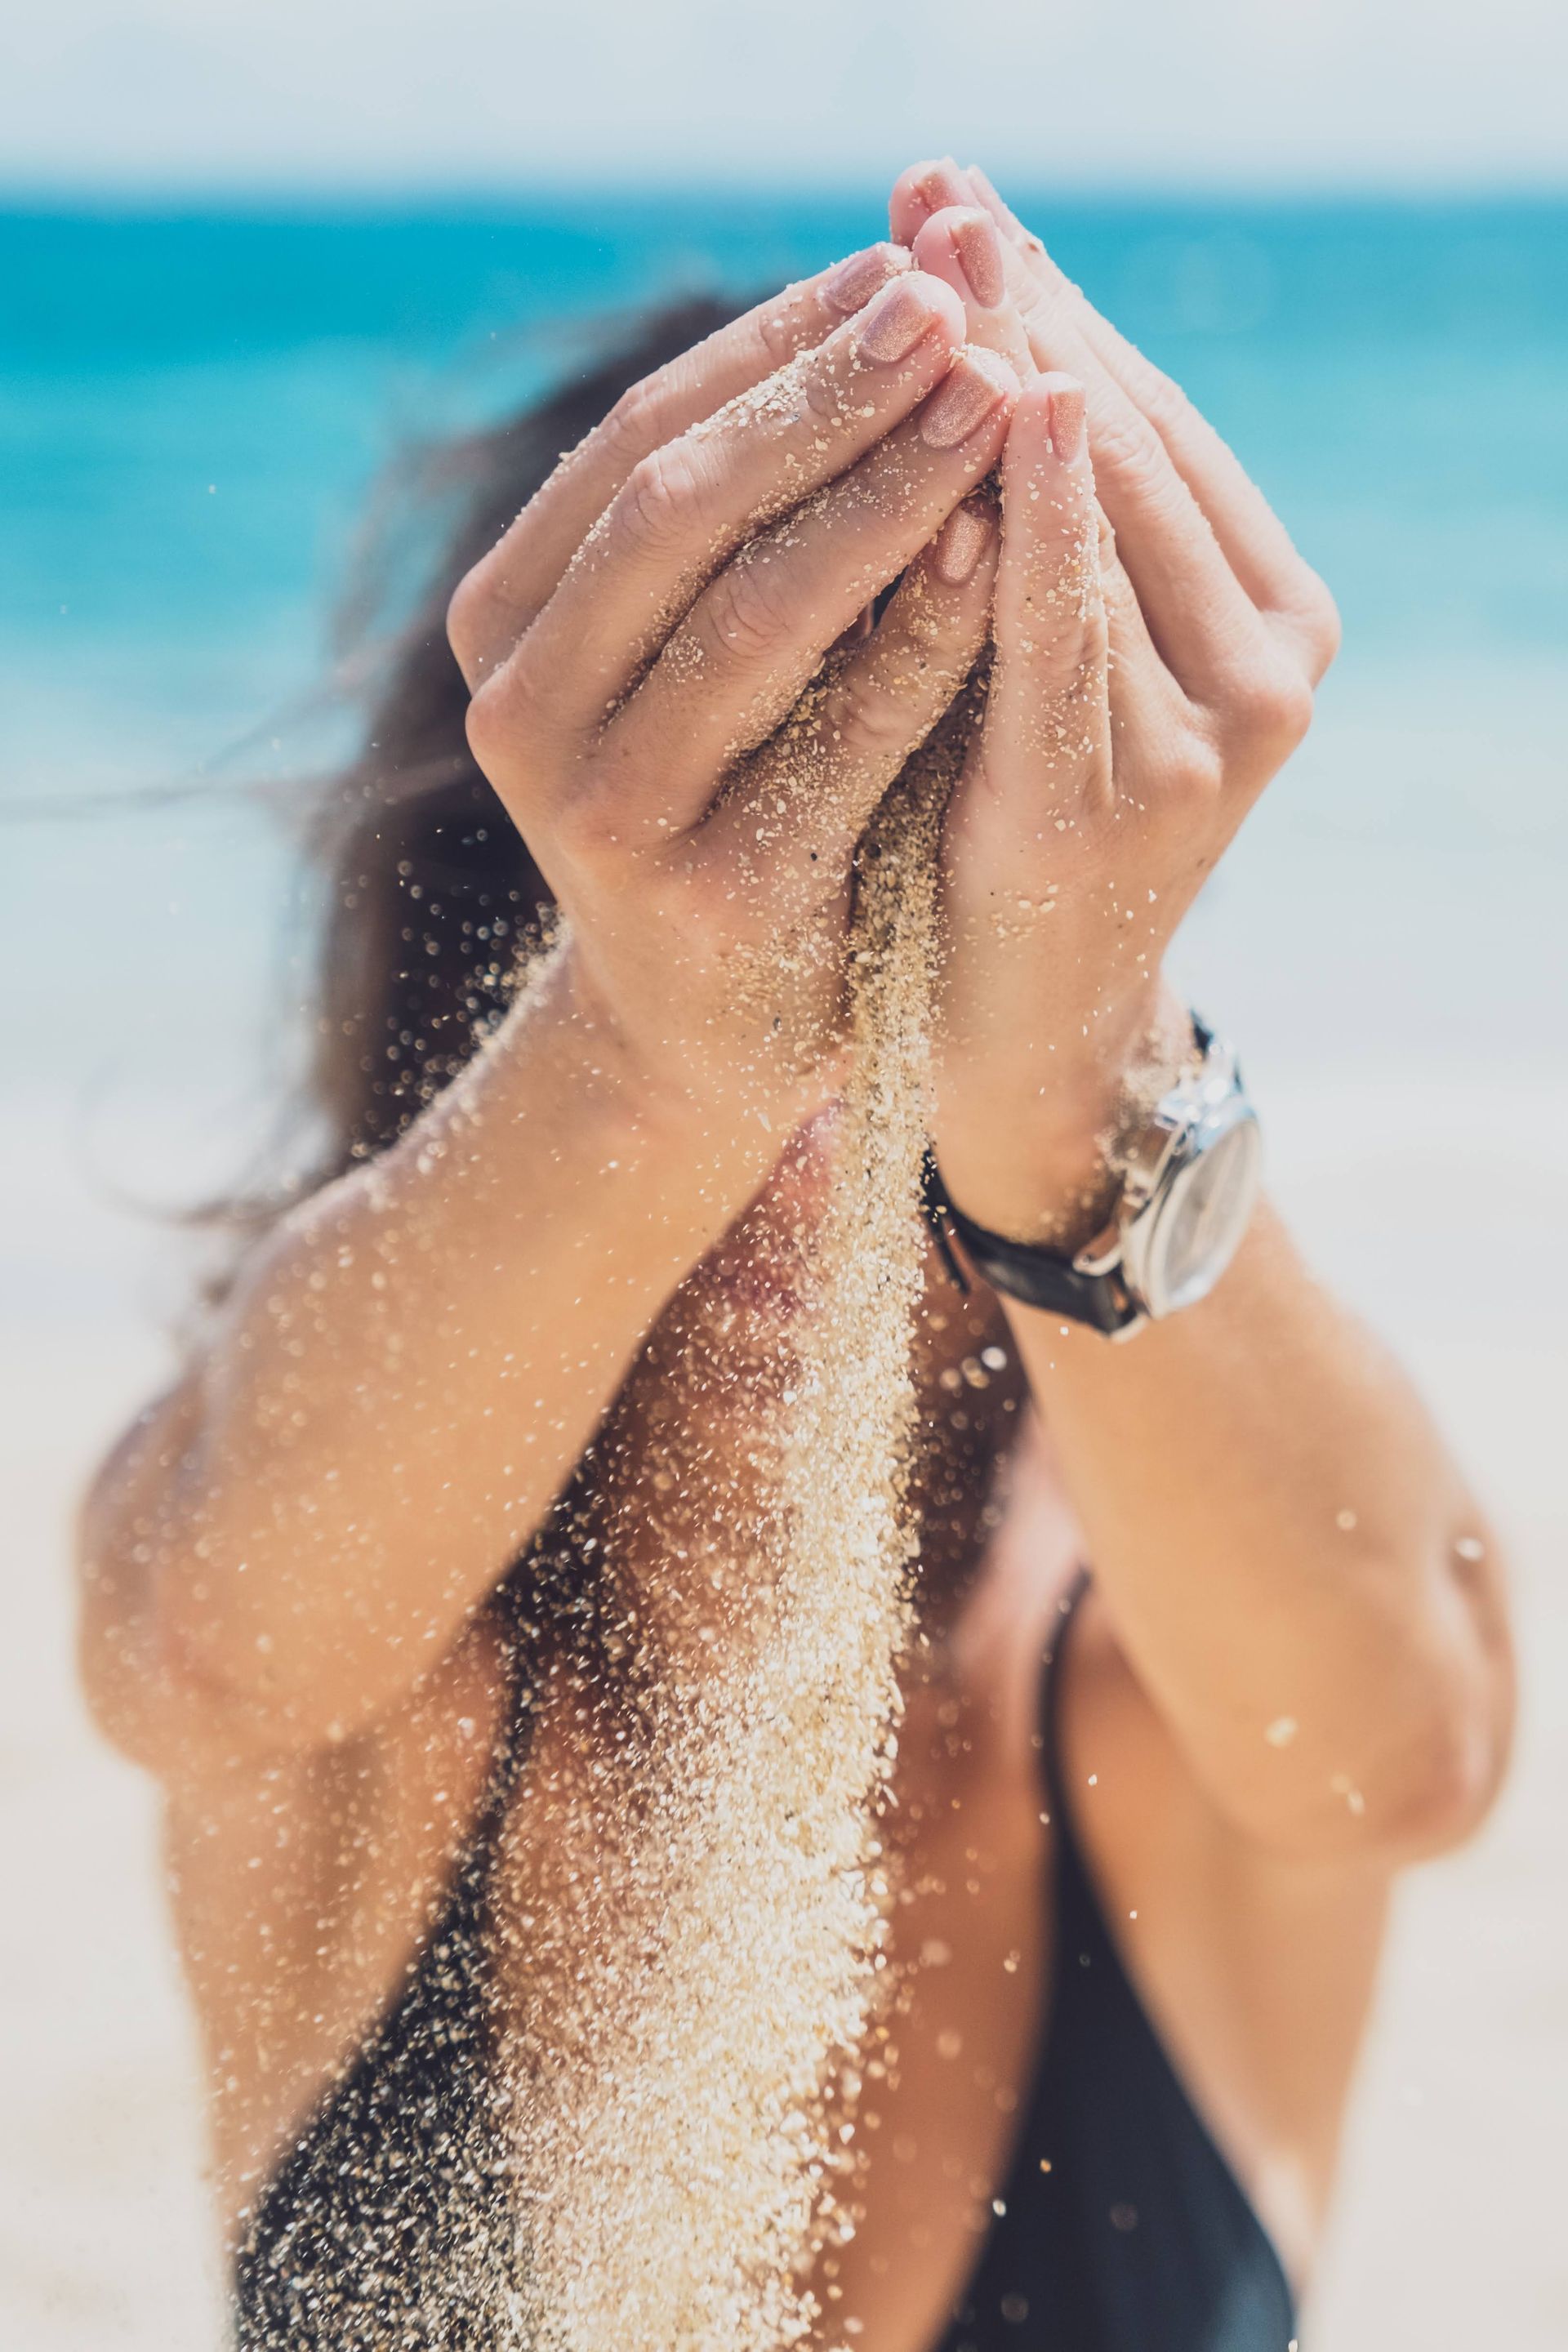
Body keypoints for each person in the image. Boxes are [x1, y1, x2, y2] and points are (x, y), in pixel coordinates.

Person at [78, 158, 1513, 2351]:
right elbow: (192, 1625)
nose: (815, 1160)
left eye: (907, 982)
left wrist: (1075, 1071)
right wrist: (658, 1049)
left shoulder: (1157, 1675)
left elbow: (1413, 1735)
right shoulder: (387, 1688)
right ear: (495, 972)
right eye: (763, 966)